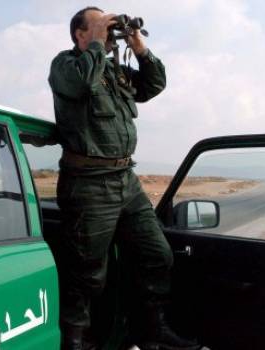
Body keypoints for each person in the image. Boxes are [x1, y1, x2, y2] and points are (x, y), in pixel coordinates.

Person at [48, 6, 202, 350]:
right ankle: (75, 341)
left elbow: (153, 85)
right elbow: (80, 82)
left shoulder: (114, 73)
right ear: (79, 34)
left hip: (124, 179)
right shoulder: (66, 66)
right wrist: (99, 45)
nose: (108, 31)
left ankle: (152, 331)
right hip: (89, 184)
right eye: (100, 25)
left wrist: (138, 46)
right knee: (86, 274)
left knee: (157, 254)